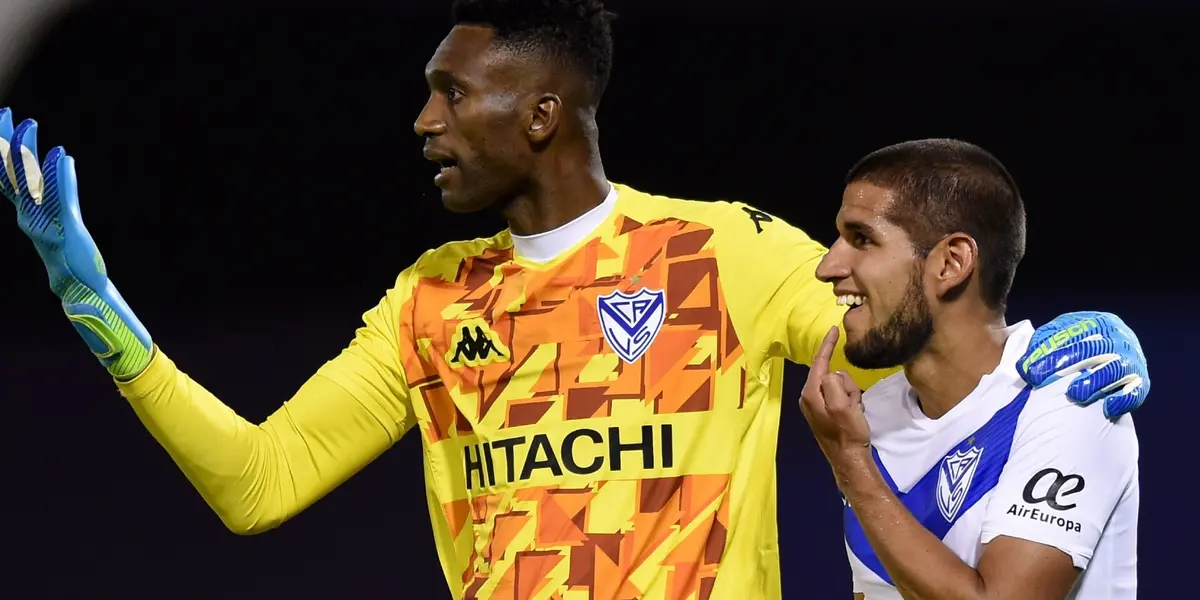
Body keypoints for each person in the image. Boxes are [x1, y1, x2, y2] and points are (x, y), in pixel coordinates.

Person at [0, 2, 1148, 599]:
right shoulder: (429, 304)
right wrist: (95, 303)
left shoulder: (721, 257)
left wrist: (1062, 337)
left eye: (452, 94)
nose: (424, 122)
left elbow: (908, 334)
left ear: (540, 114)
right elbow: (257, 487)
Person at [800, 139, 1141, 599]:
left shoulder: (1072, 398)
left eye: (863, 239)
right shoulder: (872, 412)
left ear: (952, 262)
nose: (827, 266)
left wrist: (851, 467)